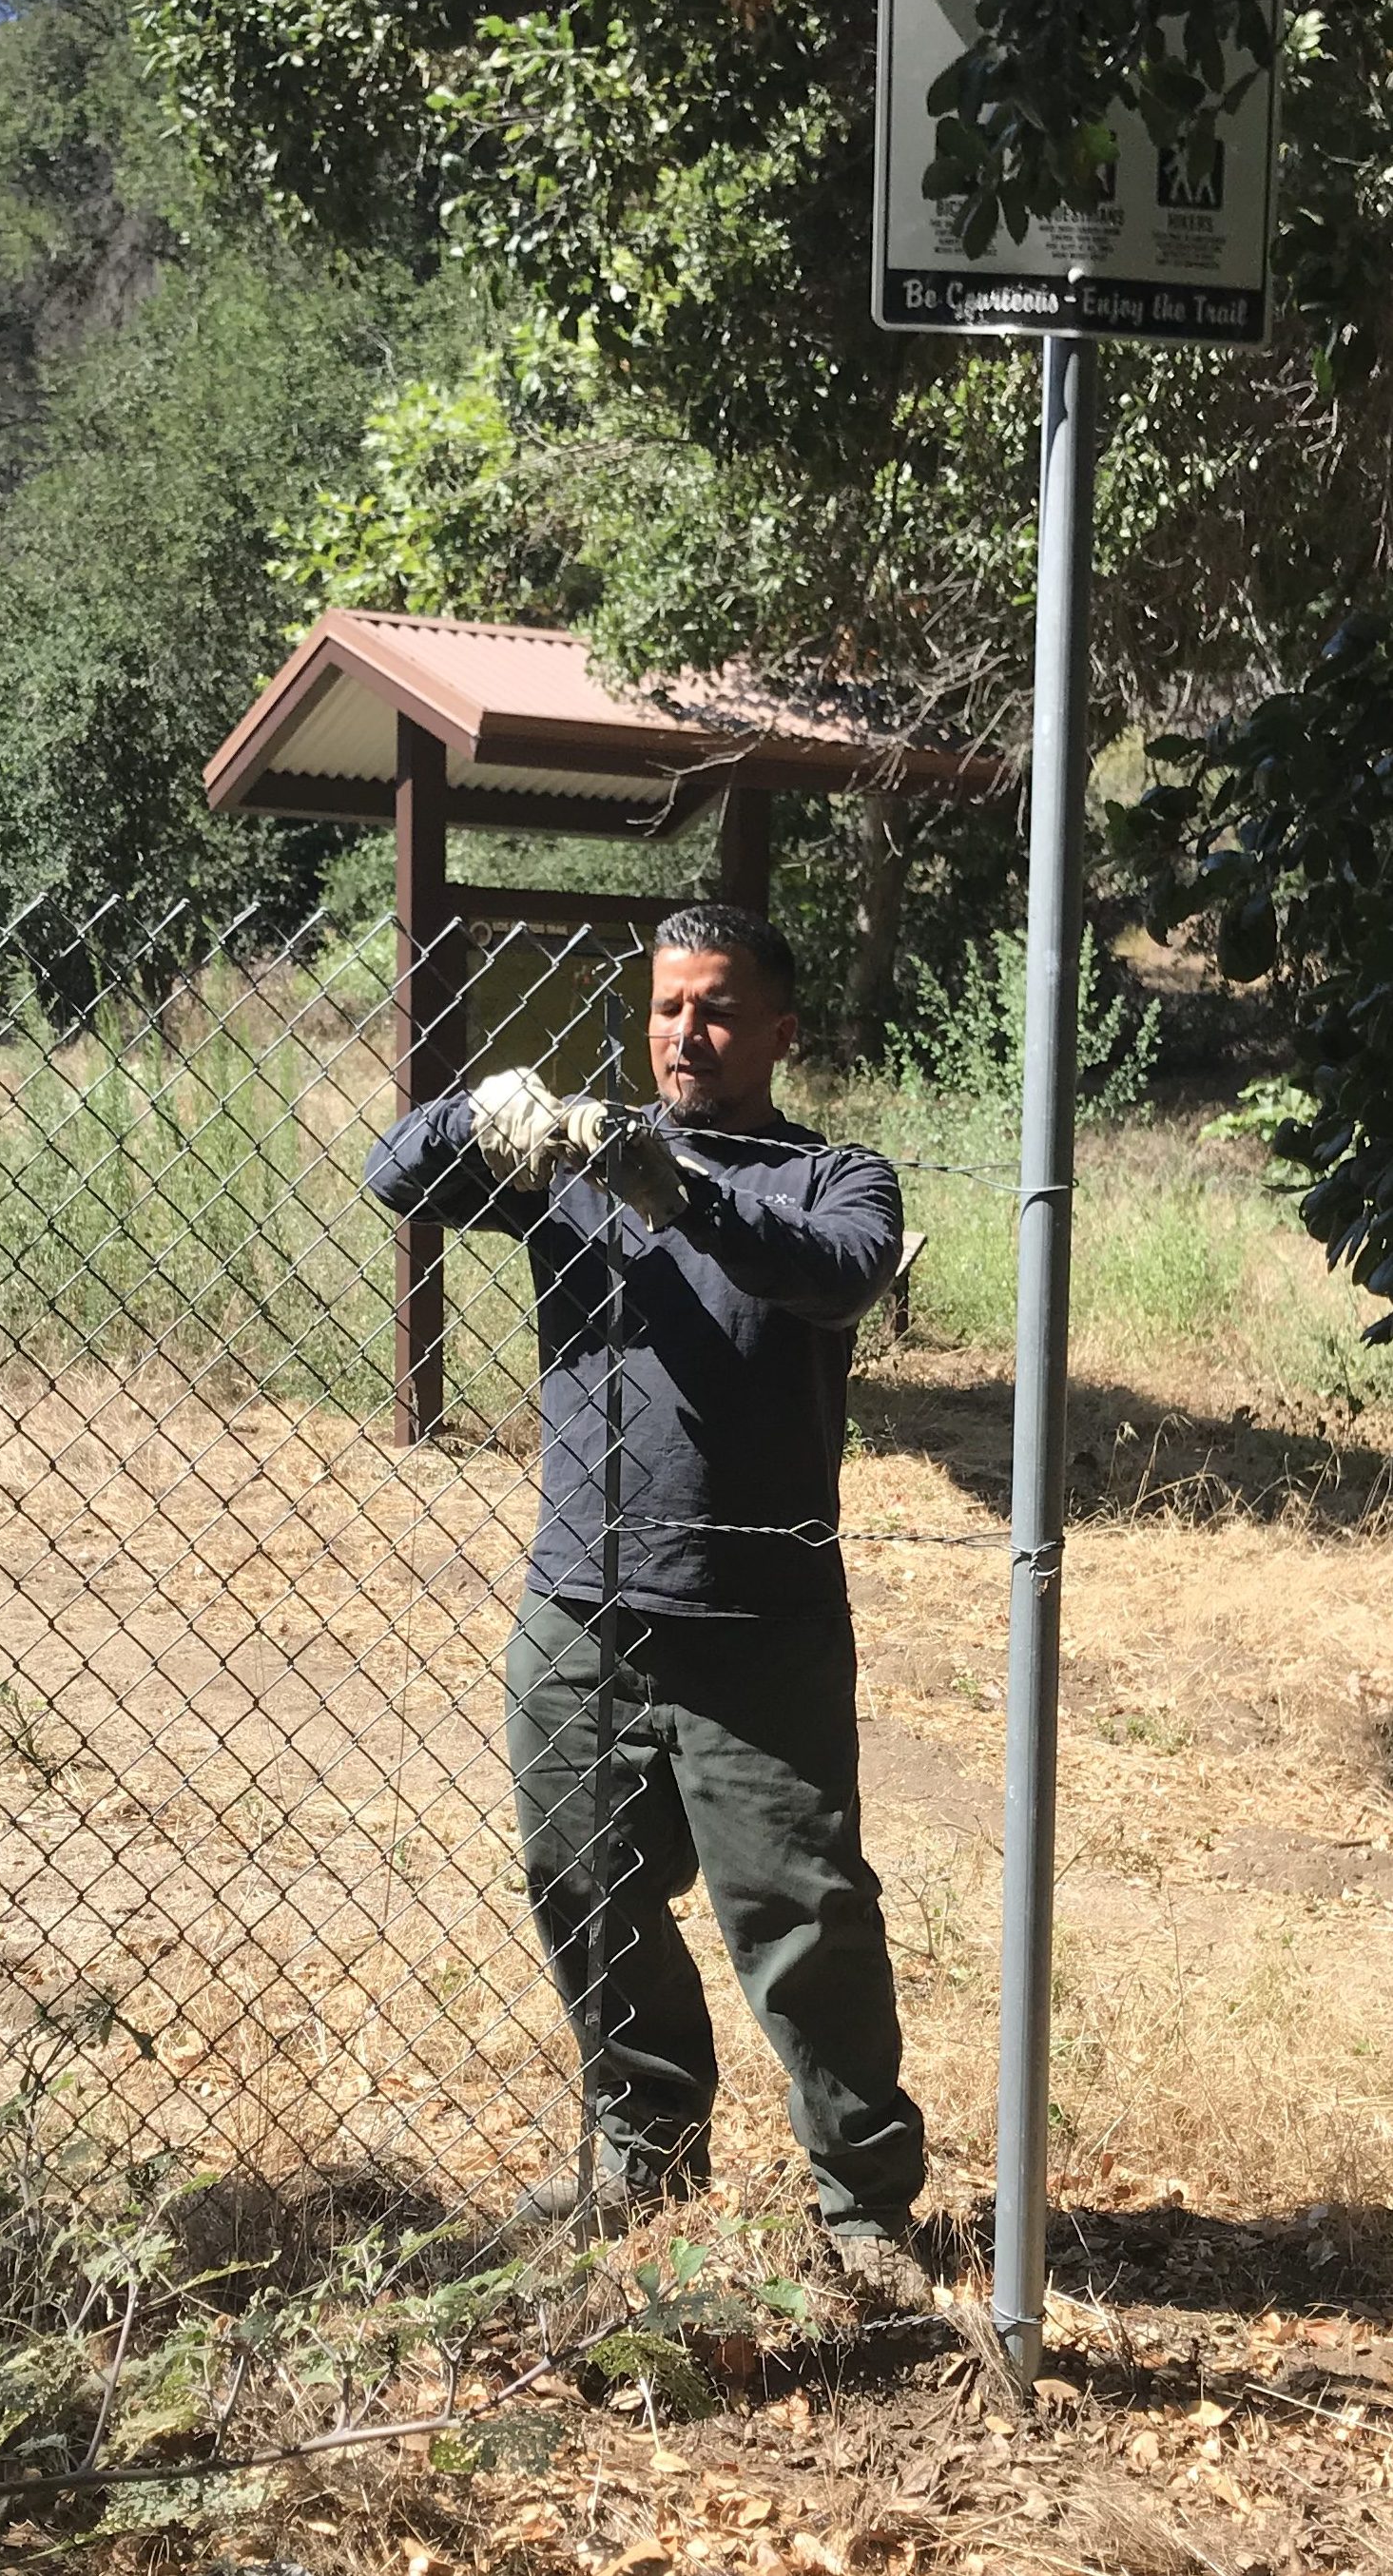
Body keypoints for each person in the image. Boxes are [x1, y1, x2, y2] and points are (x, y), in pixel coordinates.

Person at [364, 903, 928, 2304]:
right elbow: (397, 1175)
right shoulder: (578, 1166)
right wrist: (482, 1114)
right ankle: (646, 2151)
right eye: (670, 1007)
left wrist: (673, 1185)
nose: (689, 1031)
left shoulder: (834, 1176)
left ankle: (862, 2204)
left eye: (721, 1008)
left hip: (760, 1622)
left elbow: (838, 1276)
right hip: (581, 1609)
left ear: (781, 1032)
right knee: (586, 1890)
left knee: (804, 1919)